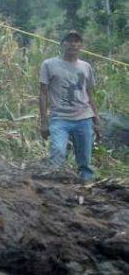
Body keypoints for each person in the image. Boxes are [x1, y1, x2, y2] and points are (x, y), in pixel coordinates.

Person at [39, 31, 102, 183]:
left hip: (84, 118)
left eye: (77, 41)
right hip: (60, 118)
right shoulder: (49, 64)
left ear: (81, 46)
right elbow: (43, 94)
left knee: (85, 161)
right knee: (58, 152)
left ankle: (86, 190)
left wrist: (97, 121)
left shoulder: (86, 67)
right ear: (63, 44)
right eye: (69, 41)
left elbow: (89, 95)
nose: (73, 44)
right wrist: (43, 121)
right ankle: (53, 186)